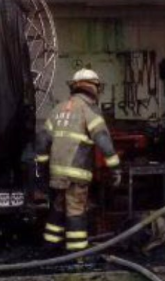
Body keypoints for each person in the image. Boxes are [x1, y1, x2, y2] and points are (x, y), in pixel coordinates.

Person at [35, 69, 121, 251]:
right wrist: (115, 169)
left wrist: (42, 169)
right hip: (77, 174)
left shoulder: (57, 109)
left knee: (58, 207)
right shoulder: (89, 111)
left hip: (56, 174)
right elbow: (104, 141)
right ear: (93, 87)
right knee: (75, 210)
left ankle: (50, 247)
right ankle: (77, 256)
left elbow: (42, 140)